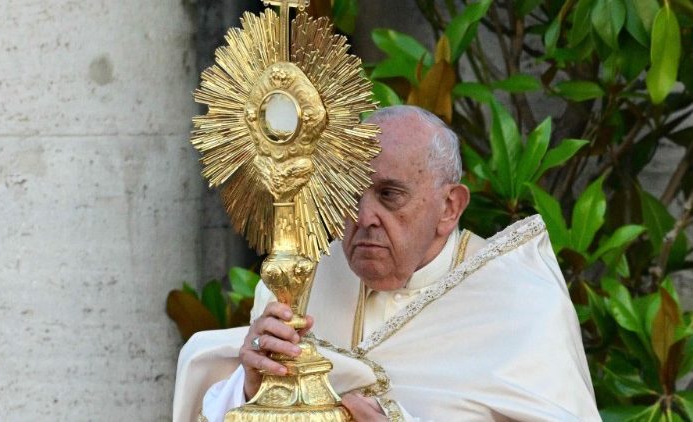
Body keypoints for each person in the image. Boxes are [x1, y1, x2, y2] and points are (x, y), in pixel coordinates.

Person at [173, 105, 601, 421]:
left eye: (390, 195)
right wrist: (253, 388)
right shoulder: (298, 284)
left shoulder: (520, 303)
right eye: (351, 194)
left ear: (449, 207)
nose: (363, 218)